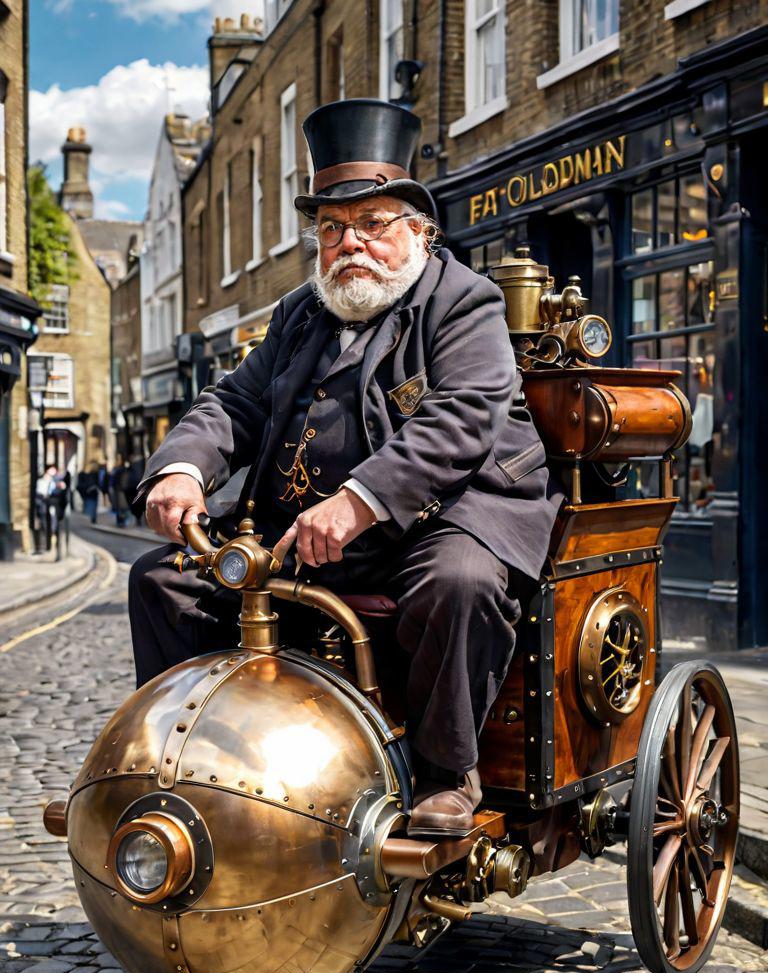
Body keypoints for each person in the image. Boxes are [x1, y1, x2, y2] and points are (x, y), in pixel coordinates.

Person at [129, 99, 558, 838]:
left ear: (418, 232)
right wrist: (181, 471)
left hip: (446, 519)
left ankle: (445, 771)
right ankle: (195, 761)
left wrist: (359, 501)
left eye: (372, 224)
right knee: (163, 581)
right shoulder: (301, 312)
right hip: (299, 538)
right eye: (331, 228)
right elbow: (232, 402)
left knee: (459, 583)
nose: (349, 244)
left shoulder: (465, 300)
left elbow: (462, 419)